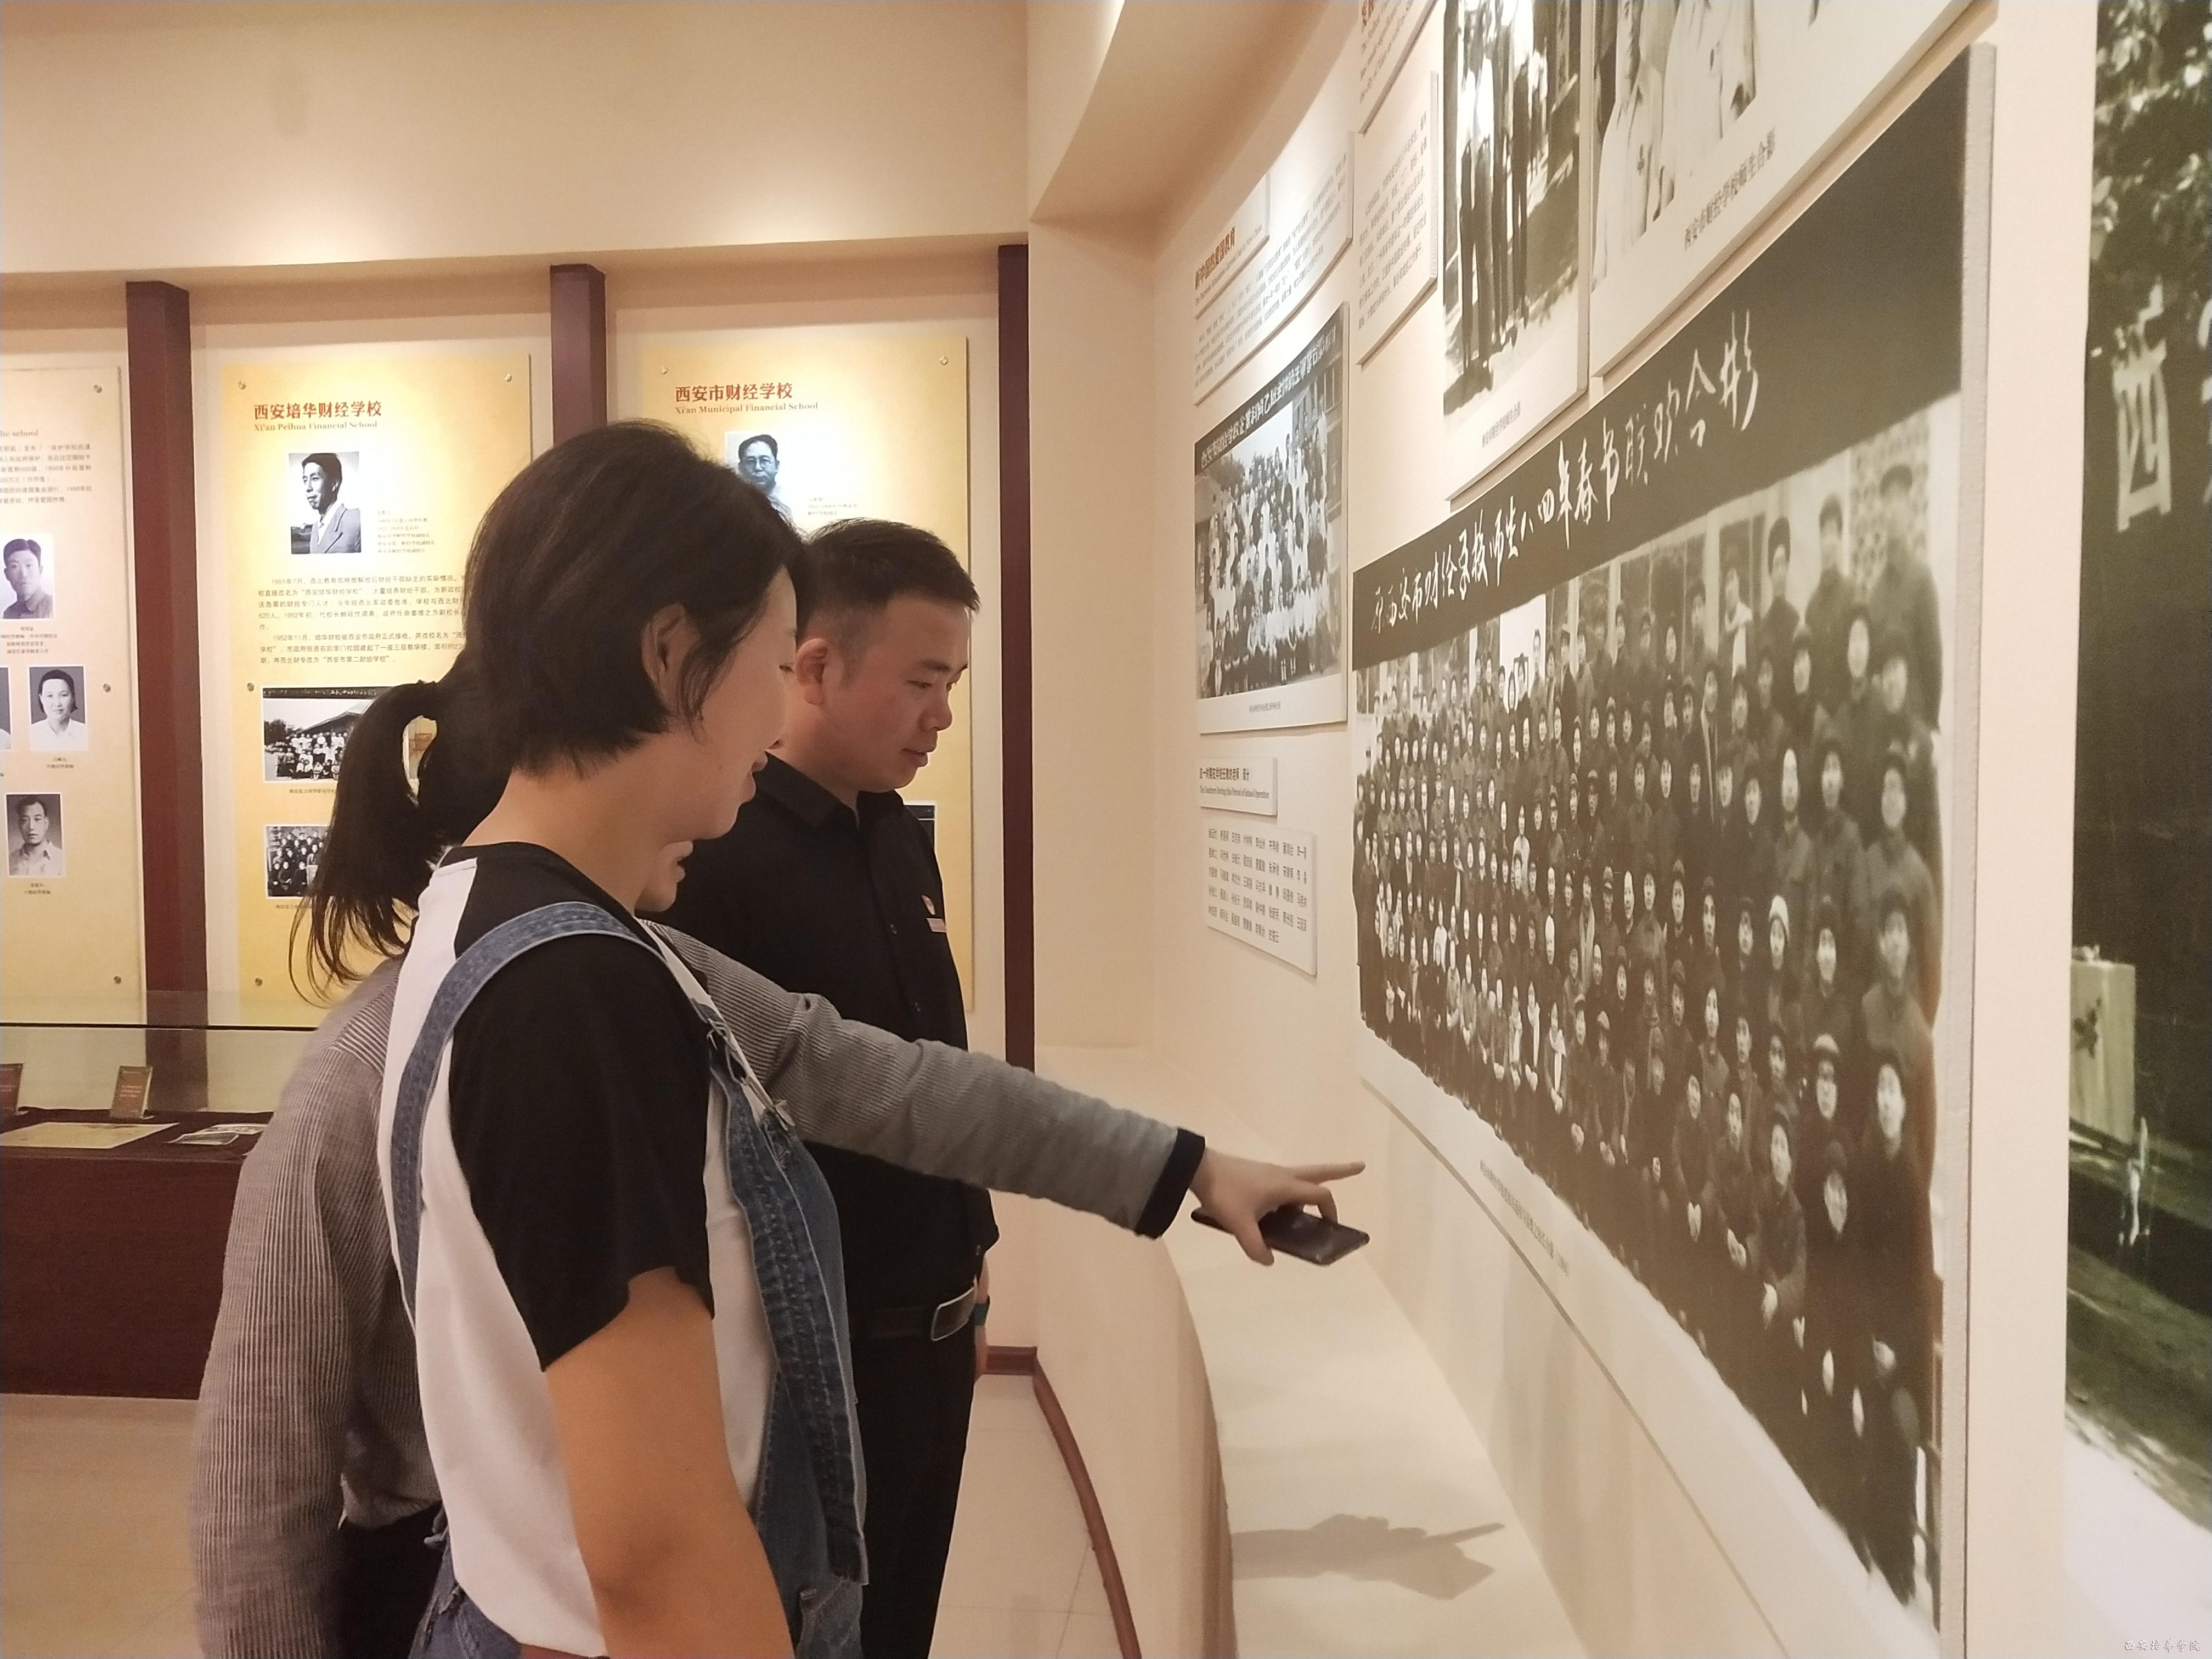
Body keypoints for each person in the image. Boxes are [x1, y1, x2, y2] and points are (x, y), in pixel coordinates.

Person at [194, 662, 1335, 1659]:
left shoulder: (652, 964)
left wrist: (1177, 1165)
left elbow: (881, 1077)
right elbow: (259, 1455)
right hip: (494, 1594)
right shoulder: (375, 1066)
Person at [652, 518, 1007, 1659]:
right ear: (813, 665)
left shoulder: (897, 835)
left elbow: (930, 1062)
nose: (940, 715)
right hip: (815, 1353)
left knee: (903, 1621)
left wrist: (971, 1253)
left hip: (935, 1334)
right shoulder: (715, 857)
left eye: (952, 684)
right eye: (921, 681)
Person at [1864, 462, 1942, 729]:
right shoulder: (1876, 592)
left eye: (1900, 499)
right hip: (1883, 726)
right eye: (1888, 500)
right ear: (1882, 514)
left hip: (1914, 724)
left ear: (1909, 509)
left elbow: (1933, 664)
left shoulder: (1922, 580)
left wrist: (1929, 727)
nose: (1894, 509)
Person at [1804, 496, 1853, 715]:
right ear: (1820, 541)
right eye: (1825, 533)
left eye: (1834, 533)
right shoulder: (1812, 606)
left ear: (1840, 540)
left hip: (1847, 713)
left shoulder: (1852, 594)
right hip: (1820, 715)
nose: (1829, 541)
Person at [294, 454, 363, 555]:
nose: (308, 488)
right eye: (305, 480)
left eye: (315, 479)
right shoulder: (316, 529)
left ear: (334, 483)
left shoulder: (356, 521)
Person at [1758, 521, 1799, 681]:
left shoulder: (1795, 620)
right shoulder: (1763, 628)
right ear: (1770, 573)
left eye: (1783, 564)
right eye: (1776, 565)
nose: (1780, 573)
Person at [734, 433, 793, 518]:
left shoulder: (791, 500)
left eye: (764, 460)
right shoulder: (734, 503)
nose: (758, 468)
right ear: (740, 468)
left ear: (777, 466)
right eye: (751, 462)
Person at [29, 668, 87, 751]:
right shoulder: (30, 735)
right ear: (41, 698)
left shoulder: (86, 733)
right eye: (50, 696)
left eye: (64, 695)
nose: (57, 703)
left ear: (73, 697)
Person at [9, 795, 63, 877]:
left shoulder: (62, 858)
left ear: (46, 823)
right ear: (19, 825)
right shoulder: (10, 861)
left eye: (37, 819)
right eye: (25, 820)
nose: (31, 827)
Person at [4, 535, 54, 619]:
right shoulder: (8, 613)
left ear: (40, 570)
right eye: (14, 566)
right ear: (7, 574)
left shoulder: (52, 607)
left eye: (29, 565)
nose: (24, 574)